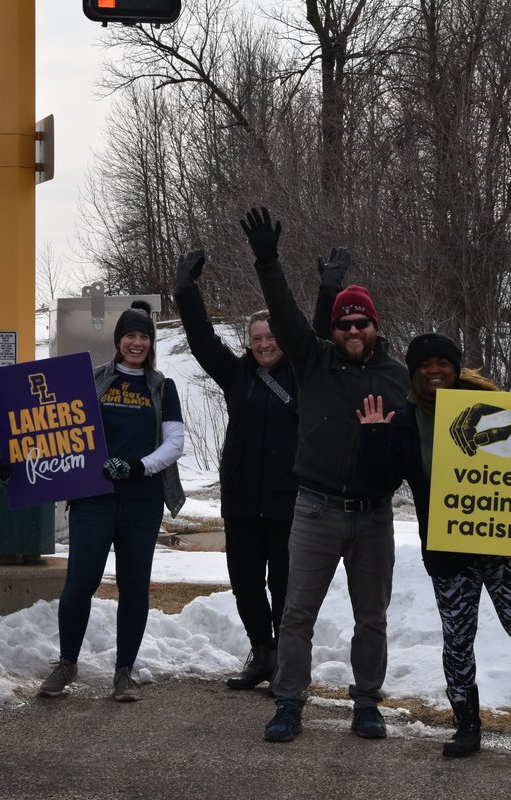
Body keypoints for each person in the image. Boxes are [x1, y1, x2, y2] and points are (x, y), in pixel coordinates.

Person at [356, 332, 511, 758]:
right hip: (448, 549)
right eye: (425, 365)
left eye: (443, 363)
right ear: (414, 372)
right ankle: (466, 724)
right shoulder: (404, 421)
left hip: (503, 544)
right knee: (457, 639)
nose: (435, 371)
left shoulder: (499, 410)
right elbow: (379, 483)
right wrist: (374, 440)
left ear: (456, 367)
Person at [239, 207, 410, 742]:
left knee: (372, 619)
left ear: (375, 326)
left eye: (361, 322)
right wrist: (267, 260)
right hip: (313, 508)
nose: (353, 329)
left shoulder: (397, 376)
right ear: (333, 329)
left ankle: (366, 705)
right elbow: (287, 314)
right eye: (344, 323)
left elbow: (441, 437)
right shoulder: (313, 360)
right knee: (296, 615)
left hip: (374, 514)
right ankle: (289, 701)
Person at [34, 300, 185, 702]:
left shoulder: (161, 387)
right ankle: (66, 665)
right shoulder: (93, 380)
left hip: (142, 501)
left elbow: (174, 444)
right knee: (79, 583)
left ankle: (123, 673)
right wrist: (16, 461)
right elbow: (52, 428)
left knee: (134, 588)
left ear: (151, 343)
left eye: (143, 337)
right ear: (118, 341)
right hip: (93, 499)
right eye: (129, 336)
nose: (136, 343)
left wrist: (136, 467)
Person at [173, 249, 299, 689]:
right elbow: (204, 340)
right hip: (243, 499)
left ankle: (285, 658)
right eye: (257, 338)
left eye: (271, 336)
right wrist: (186, 290)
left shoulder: (303, 375)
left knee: (284, 586)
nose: (265, 344)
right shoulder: (236, 374)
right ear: (249, 342)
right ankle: (261, 653)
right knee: (245, 583)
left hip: (287, 501)